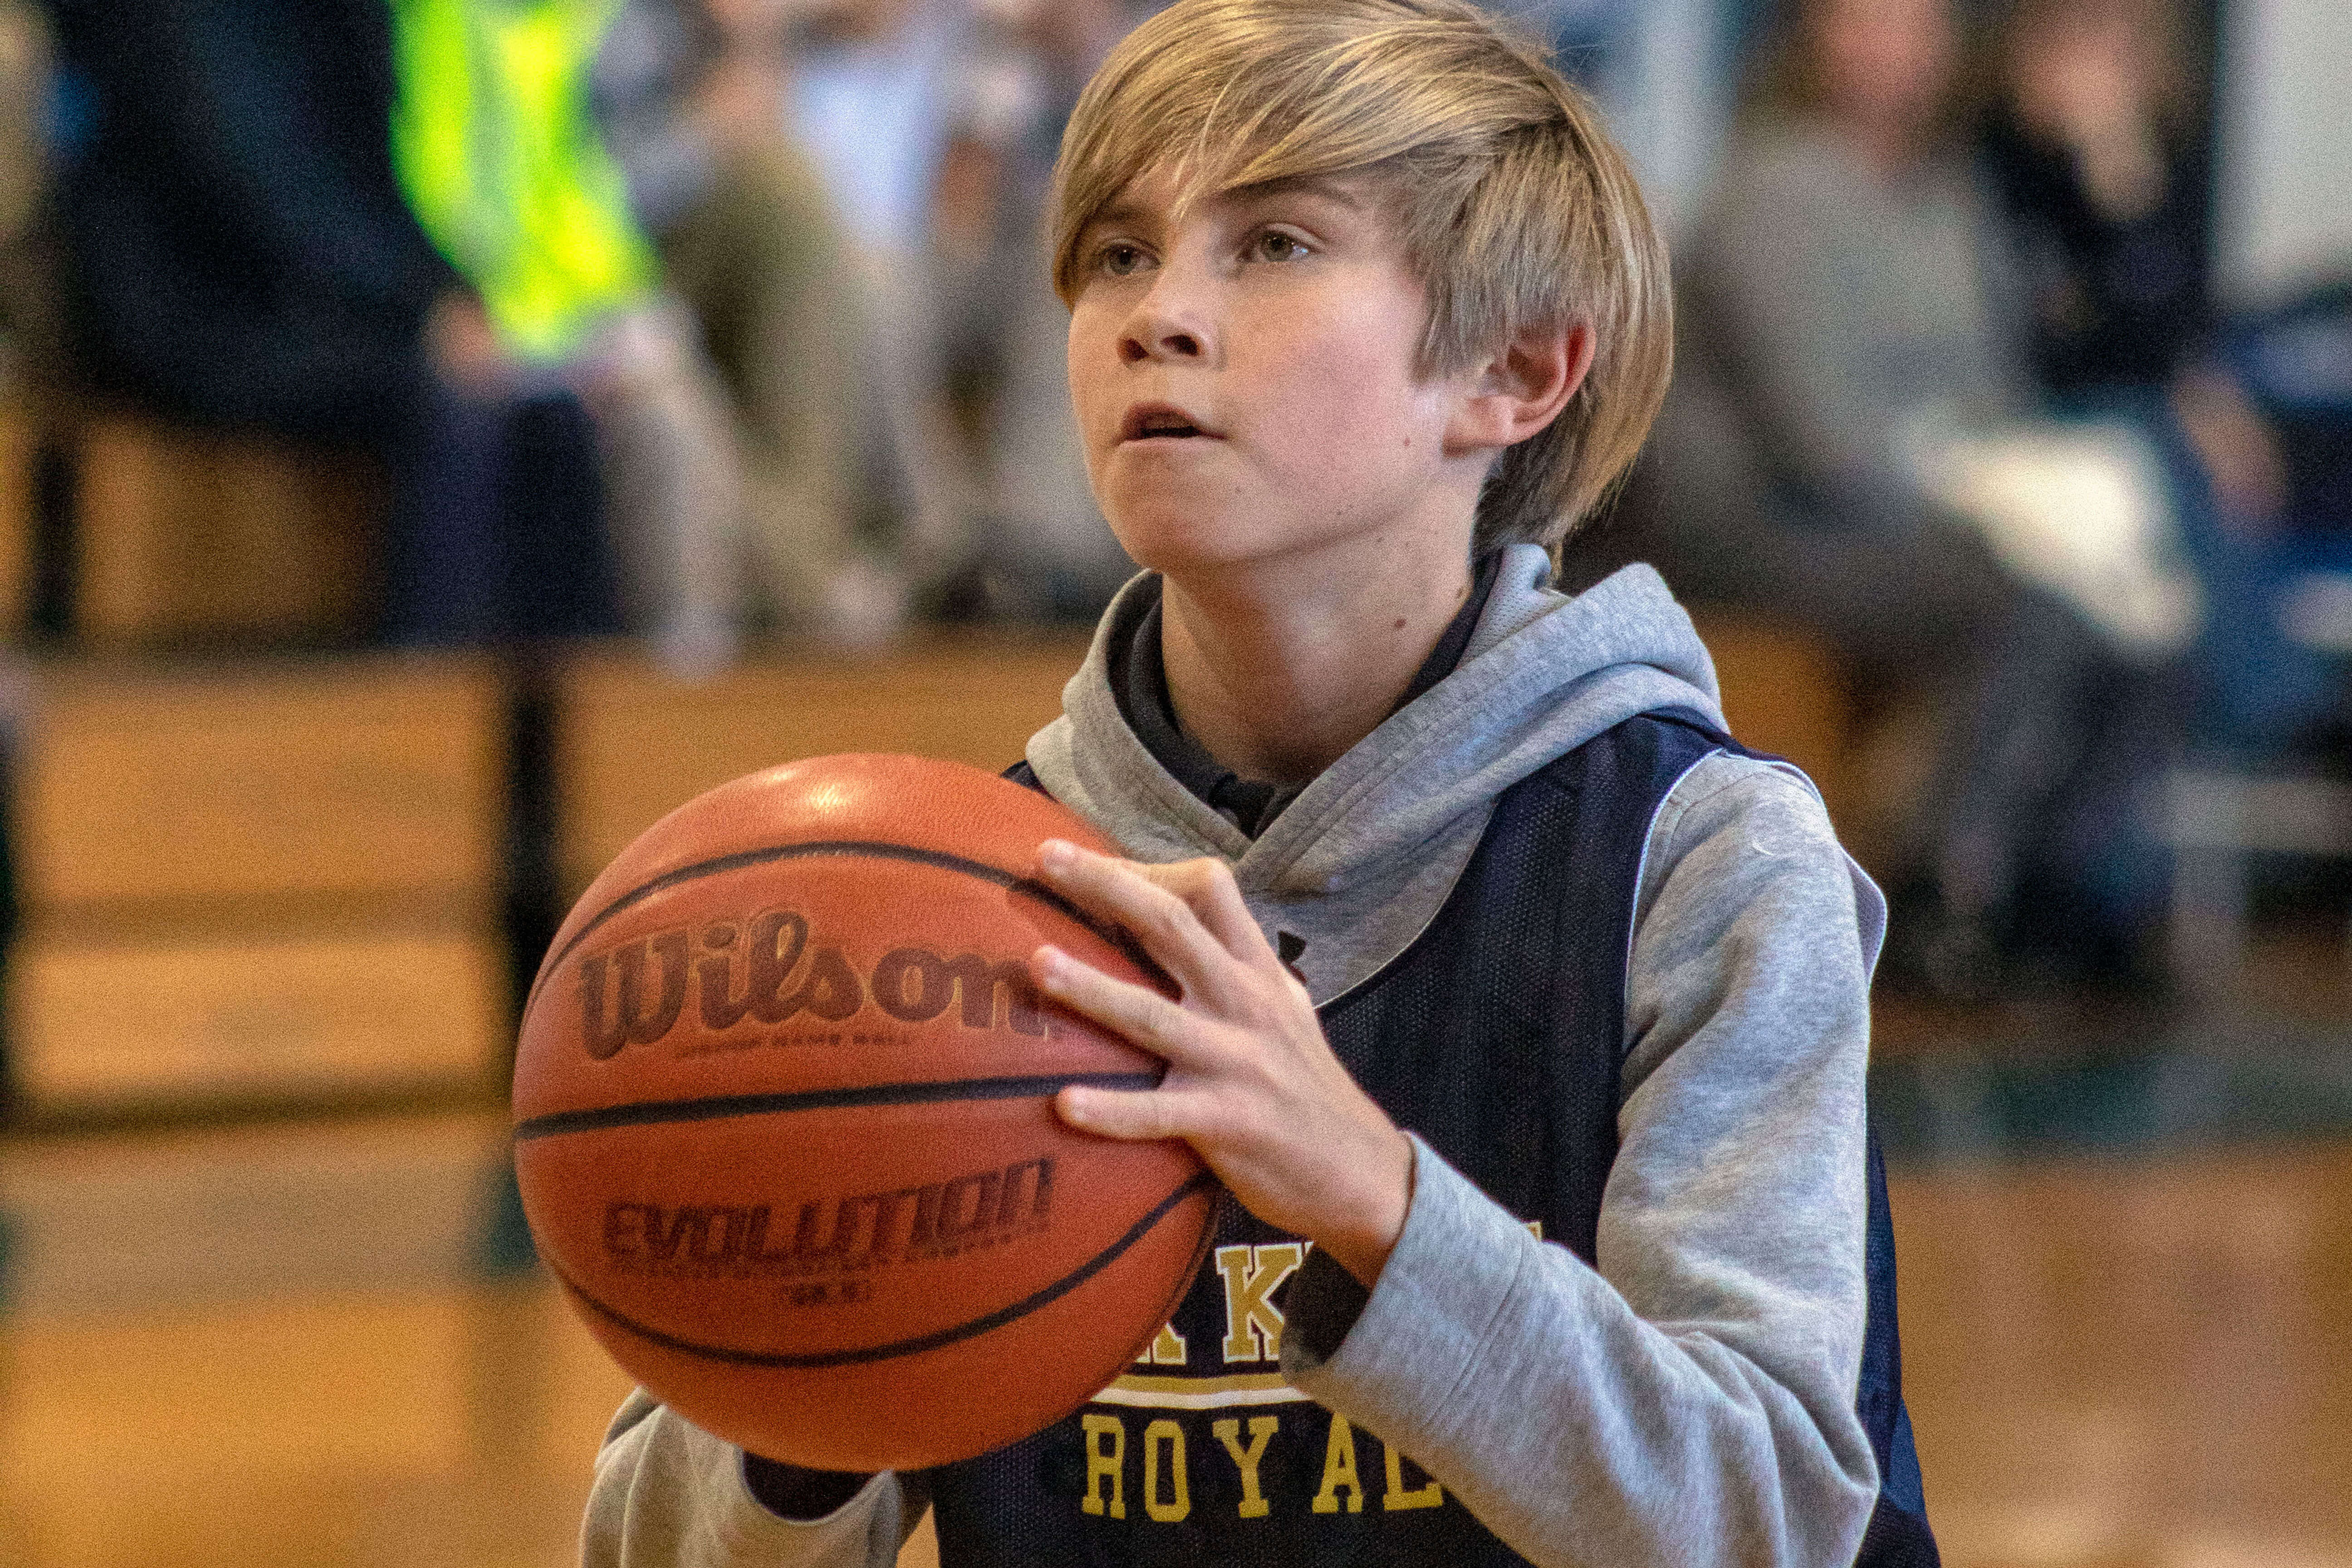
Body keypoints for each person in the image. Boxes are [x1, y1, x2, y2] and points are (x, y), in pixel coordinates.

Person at [582, 2, 1932, 1565]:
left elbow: (1773, 1521)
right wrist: (800, 1376)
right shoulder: (957, 899)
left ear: (1513, 367)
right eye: (1113, 254)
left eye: (1274, 244)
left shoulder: (1697, 857)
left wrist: (1369, 1191)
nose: (1157, 313)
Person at [1647, 0, 2184, 997]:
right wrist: (1998, 518)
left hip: (1926, 500)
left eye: (1912, 24)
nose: (1889, 49)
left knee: (2150, 624)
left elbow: (2002, 382)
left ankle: (2056, 888)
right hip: (1762, 521)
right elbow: (1823, 442)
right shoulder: (1770, 191)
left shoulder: (1947, 194)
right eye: (1863, 22)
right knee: (2021, 606)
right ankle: (1939, 892)